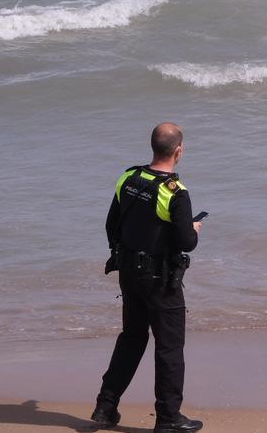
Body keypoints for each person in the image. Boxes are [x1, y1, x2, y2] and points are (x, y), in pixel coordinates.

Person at [91, 122, 204, 432]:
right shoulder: (176, 193)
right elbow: (186, 243)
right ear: (178, 151)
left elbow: (111, 225)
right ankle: (168, 417)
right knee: (169, 347)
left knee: (132, 338)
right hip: (160, 280)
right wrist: (193, 229)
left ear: (153, 146)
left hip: (128, 273)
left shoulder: (129, 177)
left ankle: (105, 406)